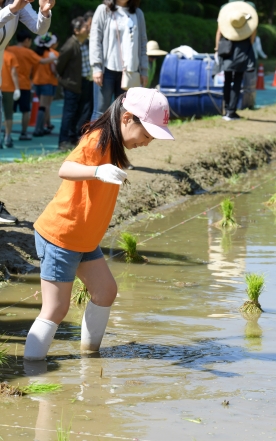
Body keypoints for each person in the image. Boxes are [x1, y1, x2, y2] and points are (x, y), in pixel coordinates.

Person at [23, 87, 174, 361]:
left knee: (106, 292)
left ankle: (90, 357)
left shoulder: (116, 146)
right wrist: (96, 171)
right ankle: (31, 370)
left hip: (84, 240)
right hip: (62, 235)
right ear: (127, 118)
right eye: (147, 135)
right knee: (56, 309)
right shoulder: (97, 140)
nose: (148, 142)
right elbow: (64, 169)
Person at [0, 0, 54, 225]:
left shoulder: (16, 3)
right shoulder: (14, 5)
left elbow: (39, 29)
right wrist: (12, 9)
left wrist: (45, 12)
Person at [89, 0, 148, 121]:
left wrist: (144, 70)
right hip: (106, 70)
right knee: (100, 112)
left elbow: (143, 43)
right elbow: (95, 39)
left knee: (123, 114)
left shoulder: (138, 13)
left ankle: (117, 141)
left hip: (130, 72)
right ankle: (94, 140)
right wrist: (96, 67)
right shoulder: (103, 10)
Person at [8, 28, 56, 140]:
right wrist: (55, 57)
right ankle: (23, 133)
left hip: (10, 84)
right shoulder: (29, 52)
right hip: (24, 85)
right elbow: (42, 61)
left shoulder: (9, 50)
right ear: (26, 40)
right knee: (25, 110)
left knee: (9, 111)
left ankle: (7, 134)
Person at [215, 1, 257, 121]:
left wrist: (217, 49)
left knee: (227, 80)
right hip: (242, 49)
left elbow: (219, 31)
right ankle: (232, 112)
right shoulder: (250, 8)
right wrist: (249, 44)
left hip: (226, 48)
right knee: (237, 81)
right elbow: (253, 31)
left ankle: (226, 109)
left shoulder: (224, 8)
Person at [56, 17, 92, 151]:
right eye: (84, 27)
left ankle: (73, 139)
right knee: (69, 114)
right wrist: (65, 80)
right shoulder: (70, 45)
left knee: (80, 112)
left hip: (85, 82)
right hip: (72, 84)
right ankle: (63, 141)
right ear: (76, 31)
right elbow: (60, 66)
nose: (87, 28)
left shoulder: (86, 43)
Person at [32, 32, 57, 136]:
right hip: (48, 82)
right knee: (44, 106)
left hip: (36, 82)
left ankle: (45, 125)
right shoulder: (52, 54)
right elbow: (53, 69)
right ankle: (38, 129)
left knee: (43, 106)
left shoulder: (34, 54)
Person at [1, 47, 20, 147]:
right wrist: (17, 88)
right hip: (8, 88)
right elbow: (13, 73)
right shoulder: (10, 55)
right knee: (8, 114)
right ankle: (7, 137)